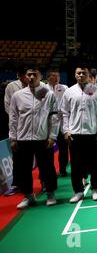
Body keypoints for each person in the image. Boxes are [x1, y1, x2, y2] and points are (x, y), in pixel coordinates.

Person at [9, 67, 59, 208]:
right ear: (25, 76)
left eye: (34, 74)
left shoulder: (48, 94)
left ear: (40, 76)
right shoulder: (17, 96)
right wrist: (13, 138)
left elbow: (54, 117)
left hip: (43, 138)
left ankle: (50, 193)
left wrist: (52, 136)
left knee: (47, 167)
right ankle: (28, 196)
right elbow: (13, 118)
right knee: (23, 169)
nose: (31, 77)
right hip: (23, 139)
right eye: (29, 75)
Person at [61, 65, 97, 202]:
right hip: (74, 134)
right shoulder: (69, 92)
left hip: (93, 134)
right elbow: (64, 113)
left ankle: (95, 189)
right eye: (78, 73)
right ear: (75, 75)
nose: (81, 75)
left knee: (95, 164)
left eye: (84, 73)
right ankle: (78, 192)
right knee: (75, 165)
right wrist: (66, 130)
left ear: (88, 75)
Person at [3, 64, 29, 196]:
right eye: (26, 75)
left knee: (40, 157)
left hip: (35, 128)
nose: (28, 77)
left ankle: (44, 183)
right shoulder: (11, 86)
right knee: (18, 157)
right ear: (20, 76)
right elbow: (8, 106)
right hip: (19, 127)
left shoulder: (39, 86)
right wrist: (20, 119)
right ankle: (16, 184)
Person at [46, 68, 69, 177]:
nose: (56, 78)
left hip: (62, 123)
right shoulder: (44, 89)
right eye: (53, 75)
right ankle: (49, 171)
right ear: (48, 77)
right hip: (48, 124)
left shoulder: (65, 88)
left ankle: (63, 168)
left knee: (64, 148)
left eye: (57, 76)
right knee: (48, 150)